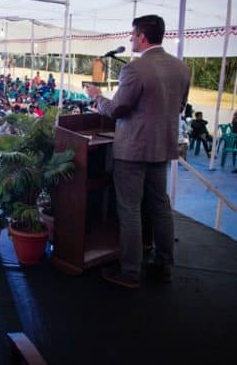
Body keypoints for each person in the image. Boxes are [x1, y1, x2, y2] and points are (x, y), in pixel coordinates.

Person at [85, 14, 191, 289]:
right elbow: (178, 107)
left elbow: (118, 109)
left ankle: (130, 272)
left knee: (129, 209)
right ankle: (164, 266)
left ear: (142, 36)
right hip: (162, 147)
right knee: (160, 207)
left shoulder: (134, 69)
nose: (131, 39)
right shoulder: (182, 68)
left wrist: (97, 97)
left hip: (133, 150)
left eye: (132, 35)